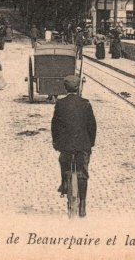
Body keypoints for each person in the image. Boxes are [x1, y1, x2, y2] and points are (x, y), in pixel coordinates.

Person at [51, 75, 96, 218]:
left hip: (66, 145)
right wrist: (90, 143)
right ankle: (82, 204)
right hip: (83, 145)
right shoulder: (86, 103)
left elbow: (55, 126)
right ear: (78, 88)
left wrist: (56, 142)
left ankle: (64, 182)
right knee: (83, 173)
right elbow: (92, 126)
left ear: (65, 88)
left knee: (63, 161)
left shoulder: (60, 104)